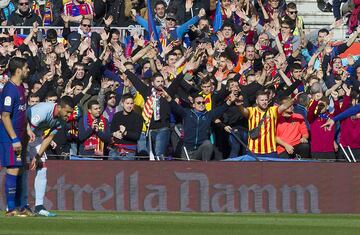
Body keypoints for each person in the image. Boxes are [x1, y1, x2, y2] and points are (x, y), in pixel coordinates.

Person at [26, 96, 75, 216]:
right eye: (67, 112)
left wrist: (37, 156)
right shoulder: (42, 111)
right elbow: (27, 130)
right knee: (22, 167)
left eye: (70, 113)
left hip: (36, 135)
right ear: (59, 107)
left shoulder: (62, 119)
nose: (69, 115)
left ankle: (39, 207)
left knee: (42, 167)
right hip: (23, 131)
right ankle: (21, 205)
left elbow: (49, 137)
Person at [0, 57, 33, 217]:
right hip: (10, 138)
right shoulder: (9, 89)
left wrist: (28, 129)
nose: (28, 70)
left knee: (19, 170)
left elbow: (22, 112)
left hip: (20, 136)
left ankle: (20, 207)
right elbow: (5, 116)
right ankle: (10, 208)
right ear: (18, 70)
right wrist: (14, 138)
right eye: (26, 67)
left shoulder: (21, 88)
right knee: (13, 169)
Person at [166, 91, 237, 161]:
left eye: (203, 102)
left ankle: (205, 166)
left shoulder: (208, 115)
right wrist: (169, 98)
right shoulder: (187, 113)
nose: (201, 104)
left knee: (208, 144)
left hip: (199, 151)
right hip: (186, 150)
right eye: (198, 103)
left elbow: (220, 110)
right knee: (186, 168)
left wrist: (229, 102)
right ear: (193, 105)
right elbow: (176, 107)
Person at [238, 90, 294, 158]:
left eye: (266, 100)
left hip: (270, 151)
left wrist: (293, 100)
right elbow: (243, 111)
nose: (264, 102)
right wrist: (239, 105)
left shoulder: (273, 110)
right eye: (262, 100)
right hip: (253, 151)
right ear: (257, 101)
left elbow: (284, 106)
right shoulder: (252, 111)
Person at [110, 94, 143, 160]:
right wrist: (114, 134)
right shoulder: (117, 115)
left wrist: (125, 132)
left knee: (126, 170)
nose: (129, 106)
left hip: (129, 151)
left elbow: (137, 136)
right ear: (122, 104)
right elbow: (111, 130)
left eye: (131, 103)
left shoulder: (137, 117)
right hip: (114, 150)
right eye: (127, 103)